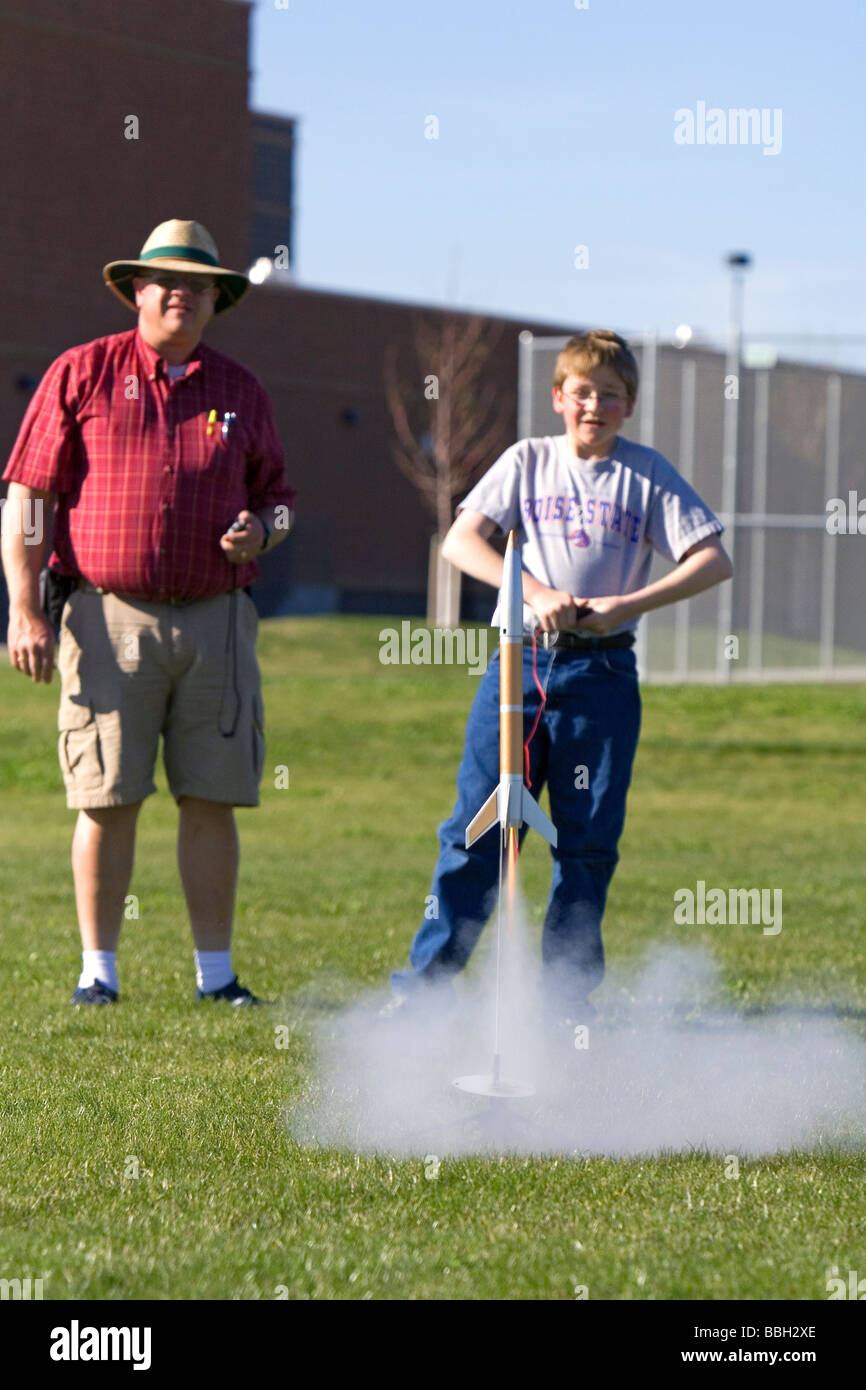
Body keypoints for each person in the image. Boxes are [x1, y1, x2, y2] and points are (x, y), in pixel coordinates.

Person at [387, 329, 732, 1026]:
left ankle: (563, 1005)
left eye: (610, 396)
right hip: (520, 667)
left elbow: (712, 559)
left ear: (628, 406)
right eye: (582, 392)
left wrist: (625, 607)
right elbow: (460, 541)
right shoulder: (527, 462)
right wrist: (533, 592)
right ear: (558, 397)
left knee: (587, 843)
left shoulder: (646, 473)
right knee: (477, 832)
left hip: (603, 674)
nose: (594, 406)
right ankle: (426, 988)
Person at [1, 219, 296, 1007]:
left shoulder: (241, 392)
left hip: (217, 622)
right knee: (107, 798)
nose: (180, 294)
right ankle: (98, 974)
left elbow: (283, 504)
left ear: (214, 301)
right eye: (165, 280)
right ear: (137, 289)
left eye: (197, 285)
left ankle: (217, 977)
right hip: (105, 617)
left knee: (212, 799)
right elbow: (29, 496)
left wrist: (263, 529)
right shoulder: (82, 373)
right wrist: (23, 607)